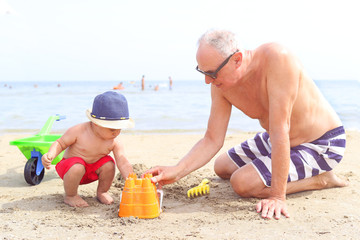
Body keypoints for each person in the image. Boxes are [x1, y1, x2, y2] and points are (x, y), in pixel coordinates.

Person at [146, 29, 347, 220]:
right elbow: (212, 139)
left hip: (321, 143)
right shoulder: (221, 83)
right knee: (222, 166)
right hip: (277, 138)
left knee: (242, 183)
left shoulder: (278, 58)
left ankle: (321, 180)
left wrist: (277, 196)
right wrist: (177, 170)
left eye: (212, 73)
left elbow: (280, 131)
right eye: (203, 72)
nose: (208, 81)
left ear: (237, 59)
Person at [42, 91, 135, 207]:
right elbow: (60, 143)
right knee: (78, 166)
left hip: (92, 171)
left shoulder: (114, 141)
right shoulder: (79, 131)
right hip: (70, 170)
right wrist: (50, 154)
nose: (116, 132)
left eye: (119, 128)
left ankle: (102, 191)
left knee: (109, 164)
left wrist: (131, 180)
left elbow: (122, 161)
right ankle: (70, 196)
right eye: (112, 129)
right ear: (96, 123)